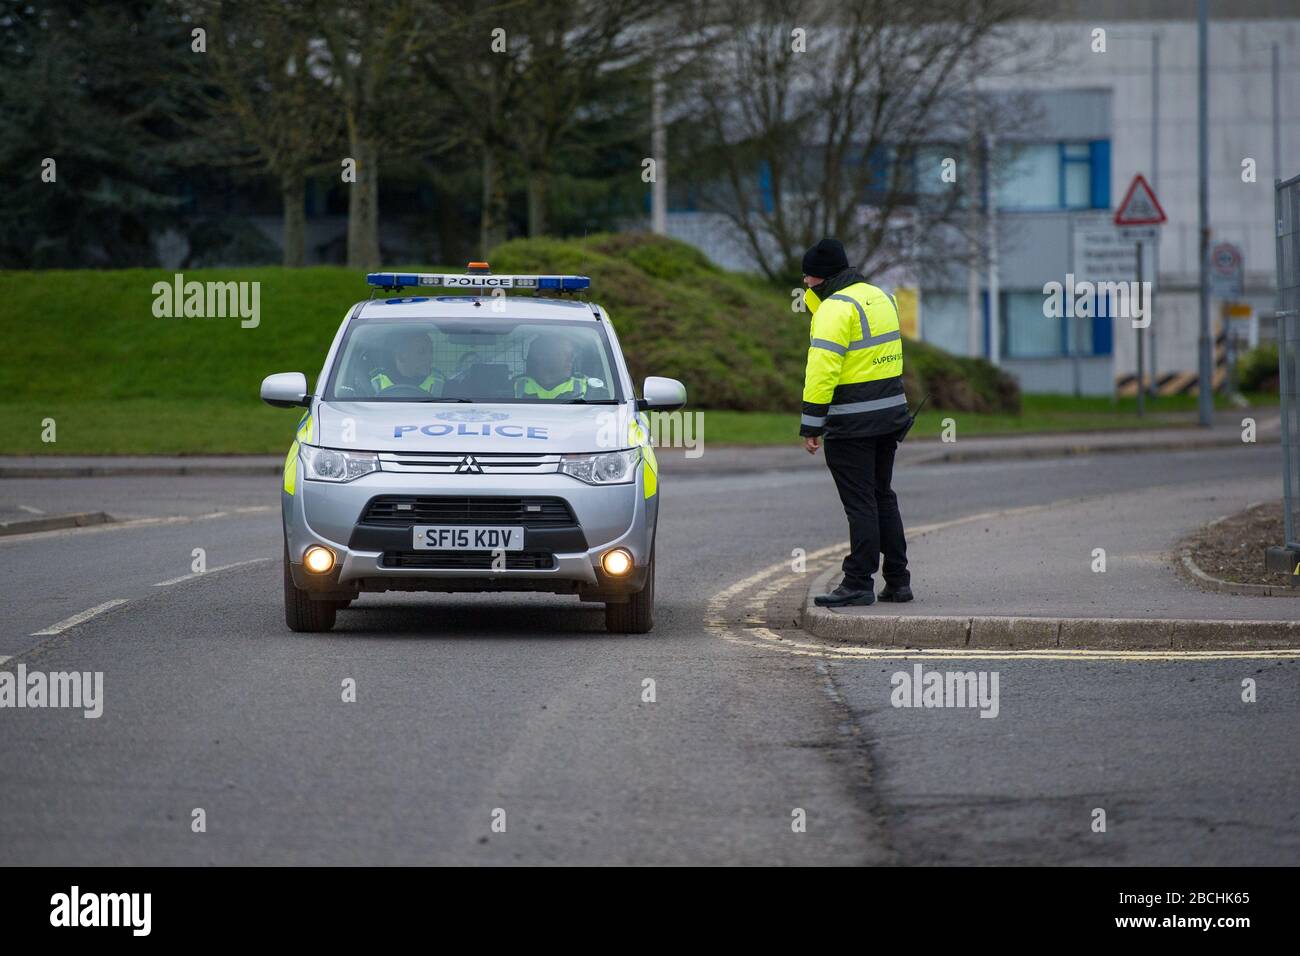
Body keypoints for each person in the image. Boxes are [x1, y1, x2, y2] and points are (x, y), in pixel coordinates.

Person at [798, 238, 913, 607]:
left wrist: (811, 425)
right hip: (890, 414)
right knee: (882, 495)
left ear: (824, 278)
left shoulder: (833, 309)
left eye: (809, 277)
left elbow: (822, 370)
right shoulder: (879, 297)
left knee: (861, 501)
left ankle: (858, 581)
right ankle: (898, 580)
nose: (805, 284)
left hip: (852, 422)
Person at [370, 329, 445, 396]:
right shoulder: (374, 382)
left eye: (431, 351)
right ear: (401, 356)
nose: (430, 358)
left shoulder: (440, 383)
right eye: (421, 352)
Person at [514, 334, 588, 400]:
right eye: (564, 353)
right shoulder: (513, 387)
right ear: (543, 356)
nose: (571, 359)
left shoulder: (590, 388)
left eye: (572, 354)